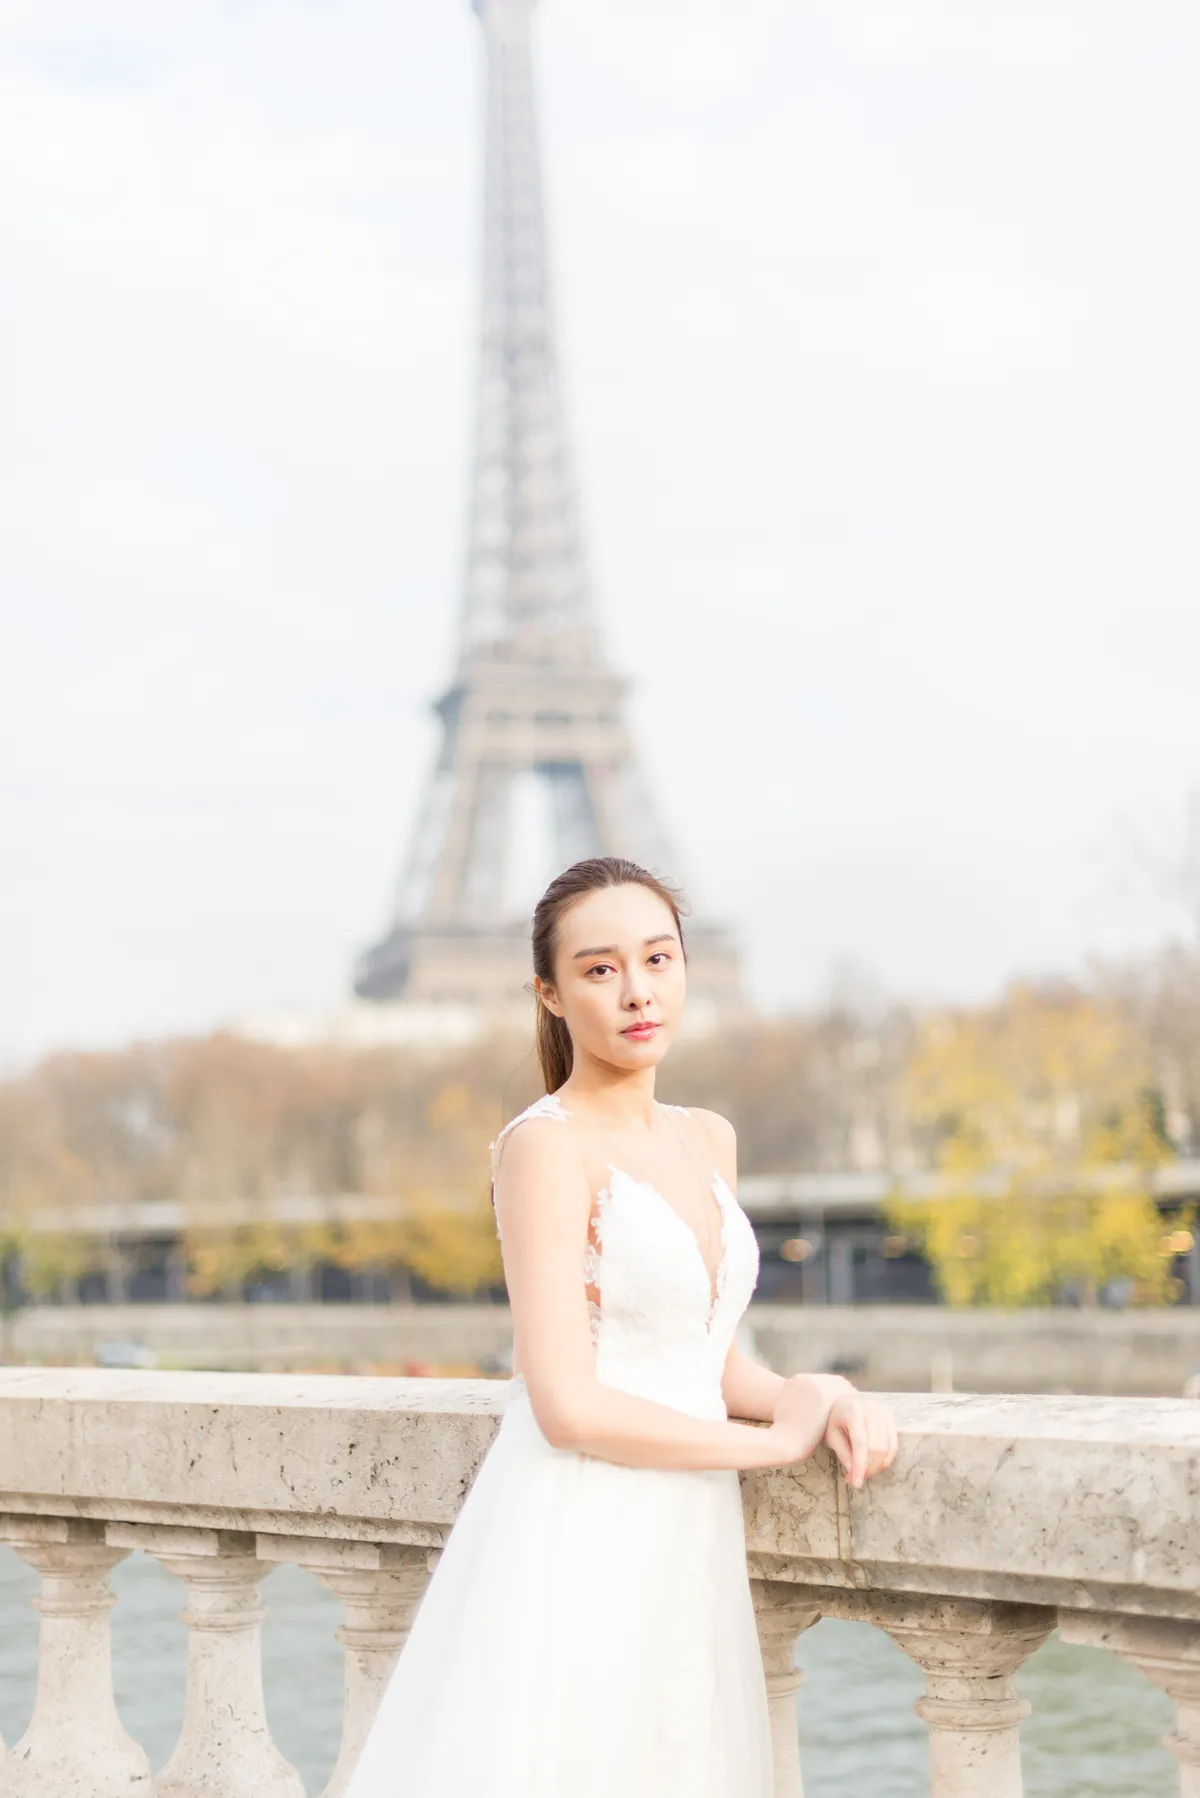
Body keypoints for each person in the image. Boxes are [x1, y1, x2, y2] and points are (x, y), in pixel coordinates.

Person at [344, 856, 899, 1797]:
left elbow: (705, 1356)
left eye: (658, 958)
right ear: (551, 994)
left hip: (686, 1528)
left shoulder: (708, 1134)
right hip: (582, 1521)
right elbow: (566, 1406)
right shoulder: (544, 1148)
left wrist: (820, 1391)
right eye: (601, 969)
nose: (638, 991)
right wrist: (768, 1449)